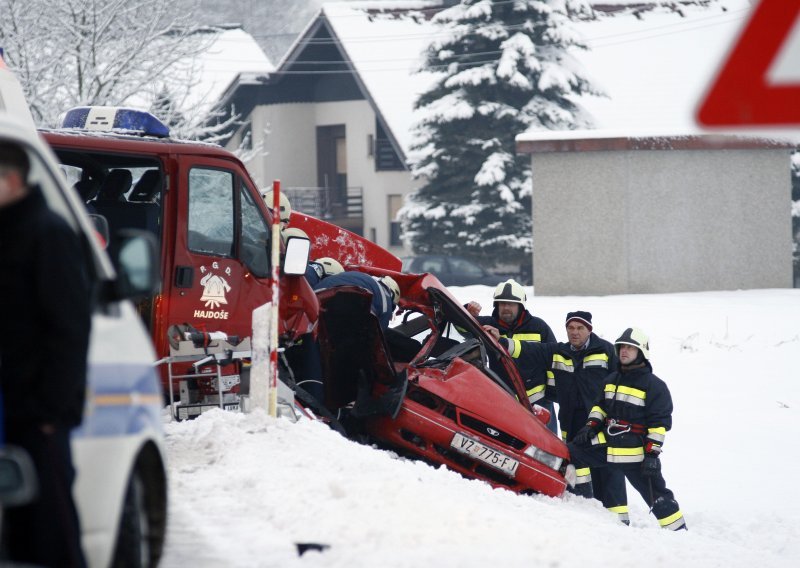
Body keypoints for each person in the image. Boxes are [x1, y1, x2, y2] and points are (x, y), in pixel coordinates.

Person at [0, 141, 90, 566]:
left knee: (51, 535)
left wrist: (50, 410)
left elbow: (69, 330)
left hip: (38, 416)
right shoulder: (11, 230)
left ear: (11, 180)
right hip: (11, 408)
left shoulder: (47, 233)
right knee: (18, 537)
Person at [495, 311, 628, 523]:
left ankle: (619, 519)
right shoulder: (559, 351)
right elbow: (529, 349)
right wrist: (500, 340)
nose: (574, 333)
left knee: (609, 468)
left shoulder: (605, 351)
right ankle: (587, 510)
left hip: (603, 421)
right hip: (572, 421)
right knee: (577, 466)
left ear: (589, 330)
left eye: (580, 328)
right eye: (571, 328)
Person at [567, 327, 687, 531]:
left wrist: (652, 455)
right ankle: (572, 506)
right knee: (569, 453)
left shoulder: (655, 386)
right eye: (621, 347)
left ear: (641, 352)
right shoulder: (611, 380)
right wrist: (590, 427)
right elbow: (600, 408)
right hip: (608, 446)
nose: (624, 351)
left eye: (630, 348)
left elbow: (659, 424)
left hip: (636, 455)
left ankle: (679, 532)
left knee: (657, 496)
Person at [467, 279, 558, 434]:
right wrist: (467, 312)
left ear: (520, 306)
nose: (506, 308)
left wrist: (551, 394)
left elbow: (553, 359)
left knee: (546, 446)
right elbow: (458, 325)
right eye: (502, 304)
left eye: (511, 304)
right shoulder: (487, 325)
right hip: (502, 401)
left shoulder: (538, 327)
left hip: (537, 402)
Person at [314, 271, 400, 330]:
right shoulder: (385, 297)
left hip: (316, 296)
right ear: (391, 294)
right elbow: (379, 335)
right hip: (348, 302)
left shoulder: (361, 277)